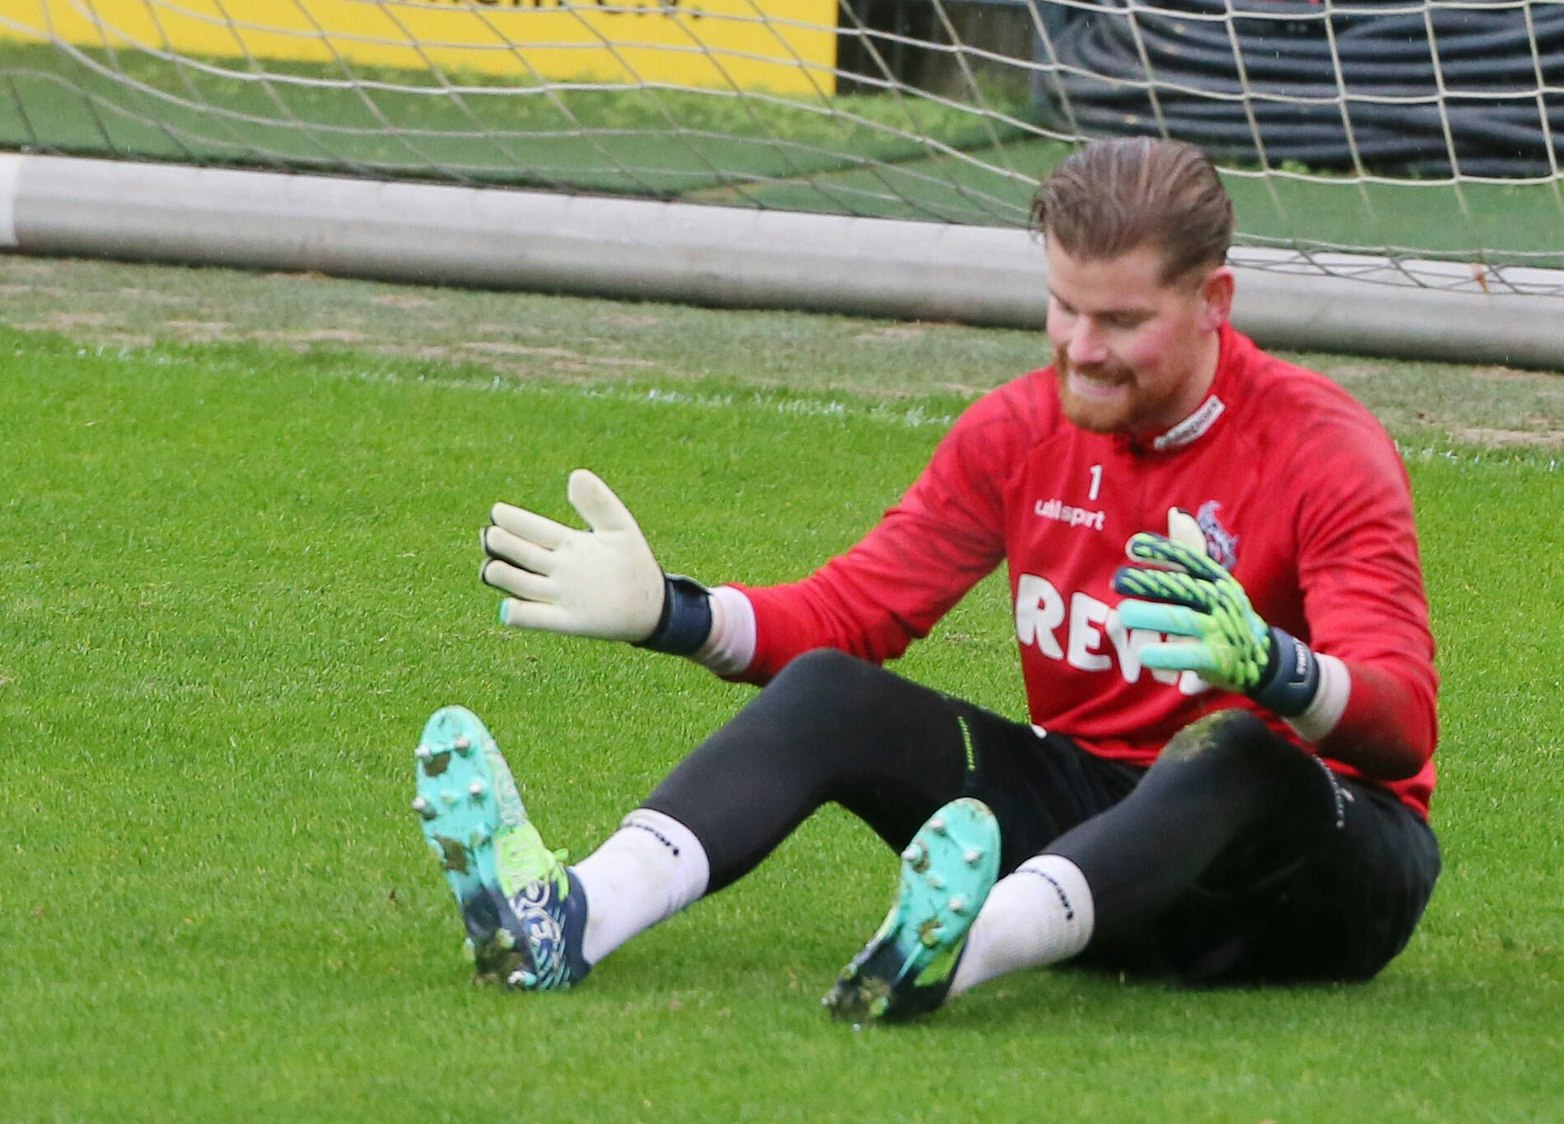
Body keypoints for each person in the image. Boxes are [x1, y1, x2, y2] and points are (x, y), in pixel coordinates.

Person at [412, 136, 1441, 1023]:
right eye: (1063, 308)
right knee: (829, 688)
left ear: (1215, 300)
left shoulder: (1321, 449)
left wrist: (1281, 668)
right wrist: (672, 615)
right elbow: (850, 613)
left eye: (1122, 322)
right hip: (1101, 852)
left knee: (1236, 744)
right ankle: (568, 916)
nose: (1081, 350)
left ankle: (959, 947)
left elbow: (1402, 727)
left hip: (1312, 877)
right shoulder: (1020, 430)